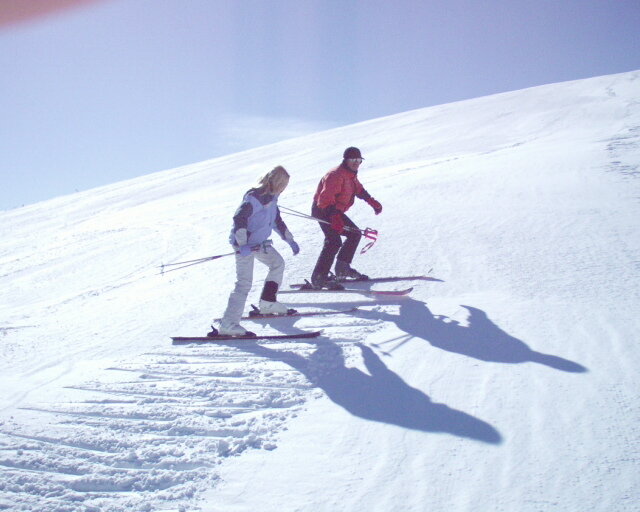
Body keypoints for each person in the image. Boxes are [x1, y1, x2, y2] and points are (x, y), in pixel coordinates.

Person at [210, 166, 300, 336]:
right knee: (244, 283)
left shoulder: (272, 200)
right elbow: (239, 219)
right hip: (244, 245)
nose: (284, 188)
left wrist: (290, 240)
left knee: (277, 263)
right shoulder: (254, 197)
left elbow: (277, 221)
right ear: (276, 182)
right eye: (283, 184)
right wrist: (242, 244)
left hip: (259, 244)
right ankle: (228, 324)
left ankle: (268, 302)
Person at [310, 147, 382, 289]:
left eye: (359, 160)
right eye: (353, 160)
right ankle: (319, 277)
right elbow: (324, 199)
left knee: (354, 234)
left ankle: (342, 268)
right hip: (323, 209)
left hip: (334, 211)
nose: (356, 163)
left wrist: (372, 202)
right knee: (333, 241)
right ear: (346, 160)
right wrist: (335, 217)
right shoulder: (335, 175)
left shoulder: (350, 174)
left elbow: (358, 189)